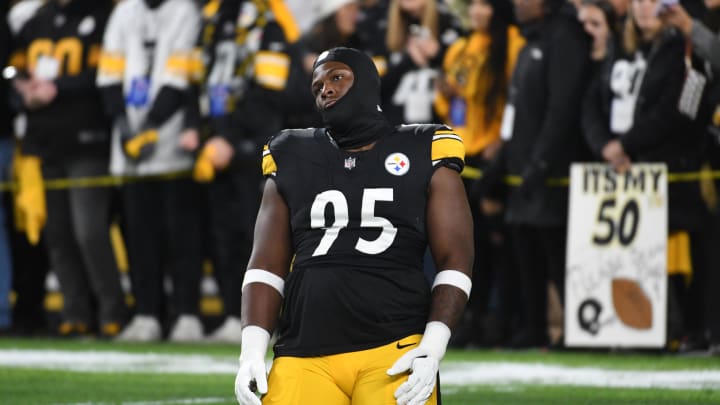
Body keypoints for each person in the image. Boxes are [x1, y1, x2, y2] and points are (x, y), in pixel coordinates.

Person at [233, 47, 473, 405]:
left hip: (393, 349)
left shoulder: (425, 147)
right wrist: (251, 351)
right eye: (317, 85)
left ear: (365, 83)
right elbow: (266, 265)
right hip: (303, 352)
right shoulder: (292, 153)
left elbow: (455, 258)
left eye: (337, 78)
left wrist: (432, 346)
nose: (325, 90)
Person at [582, 0, 708, 350]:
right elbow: (590, 103)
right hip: (617, 170)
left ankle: (680, 330)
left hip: (665, 170)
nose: (643, 7)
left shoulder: (681, 49)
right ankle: (628, 331)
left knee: (672, 256)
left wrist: (627, 146)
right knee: (624, 253)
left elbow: (675, 111)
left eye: (653, 0)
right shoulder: (620, 48)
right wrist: (605, 145)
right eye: (638, 0)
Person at [10, 0, 127, 338]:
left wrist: (58, 88)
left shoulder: (100, 15)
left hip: (86, 139)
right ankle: (74, 312)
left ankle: (111, 311)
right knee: (57, 233)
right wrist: (22, 91)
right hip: (45, 141)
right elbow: (13, 69)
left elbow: (103, 73)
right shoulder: (38, 20)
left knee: (89, 230)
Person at [97, 0, 205, 342]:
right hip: (130, 145)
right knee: (139, 236)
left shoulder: (185, 11)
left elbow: (181, 75)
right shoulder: (124, 12)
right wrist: (123, 124)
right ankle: (147, 314)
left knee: (181, 236)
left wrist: (151, 126)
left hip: (172, 144)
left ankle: (187, 314)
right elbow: (109, 72)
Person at [434, 0, 524, 347]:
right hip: (460, 155)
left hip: (493, 158)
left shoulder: (513, 43)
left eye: (484, 5)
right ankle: (465, 322)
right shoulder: (459, 47)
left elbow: (516, 99)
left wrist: (502, 141)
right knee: (460, 246)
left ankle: (497, 323)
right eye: (473, 5)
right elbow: (452, 105)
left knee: (495, 247)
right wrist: (444, 96)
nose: (476, 11)